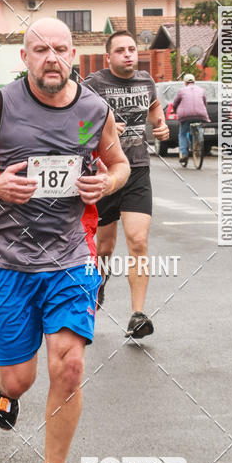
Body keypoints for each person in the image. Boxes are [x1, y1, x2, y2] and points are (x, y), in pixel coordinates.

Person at [0, 17, 129, 463]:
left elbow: (117, 163)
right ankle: (4, 390)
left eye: (61, 49)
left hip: (71, 258)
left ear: (75, 55)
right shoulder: (1, 106)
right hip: (8, 262)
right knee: (20, 378)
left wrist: (105, 185)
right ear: (24, 58)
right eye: (41, 49)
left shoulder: (92, 110)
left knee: (68, 365)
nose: (52, 58)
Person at [84, 31, 170, 339]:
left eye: (132, 49)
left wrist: (160, 126)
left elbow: (154, 107)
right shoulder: (93, 85)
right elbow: (77, 127)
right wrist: (101, 128)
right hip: (105, 175)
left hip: (137, 171)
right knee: (104, 248)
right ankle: (99, 285)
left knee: (138, 241)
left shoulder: (146, 81)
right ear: (109, 57)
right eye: (120, 50)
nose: (128, 54)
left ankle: (137, 315)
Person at [172, 74, 210, 165]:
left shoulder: (182, 91)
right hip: (200, 114)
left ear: (185, 82)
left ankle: (184, 154)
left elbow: (175, 103)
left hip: (186, 116)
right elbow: (204, 102)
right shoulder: (201, 90)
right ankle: (199, 141)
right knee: (198, 127)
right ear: (194, 81)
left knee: (183, 133)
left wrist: (175, 110)